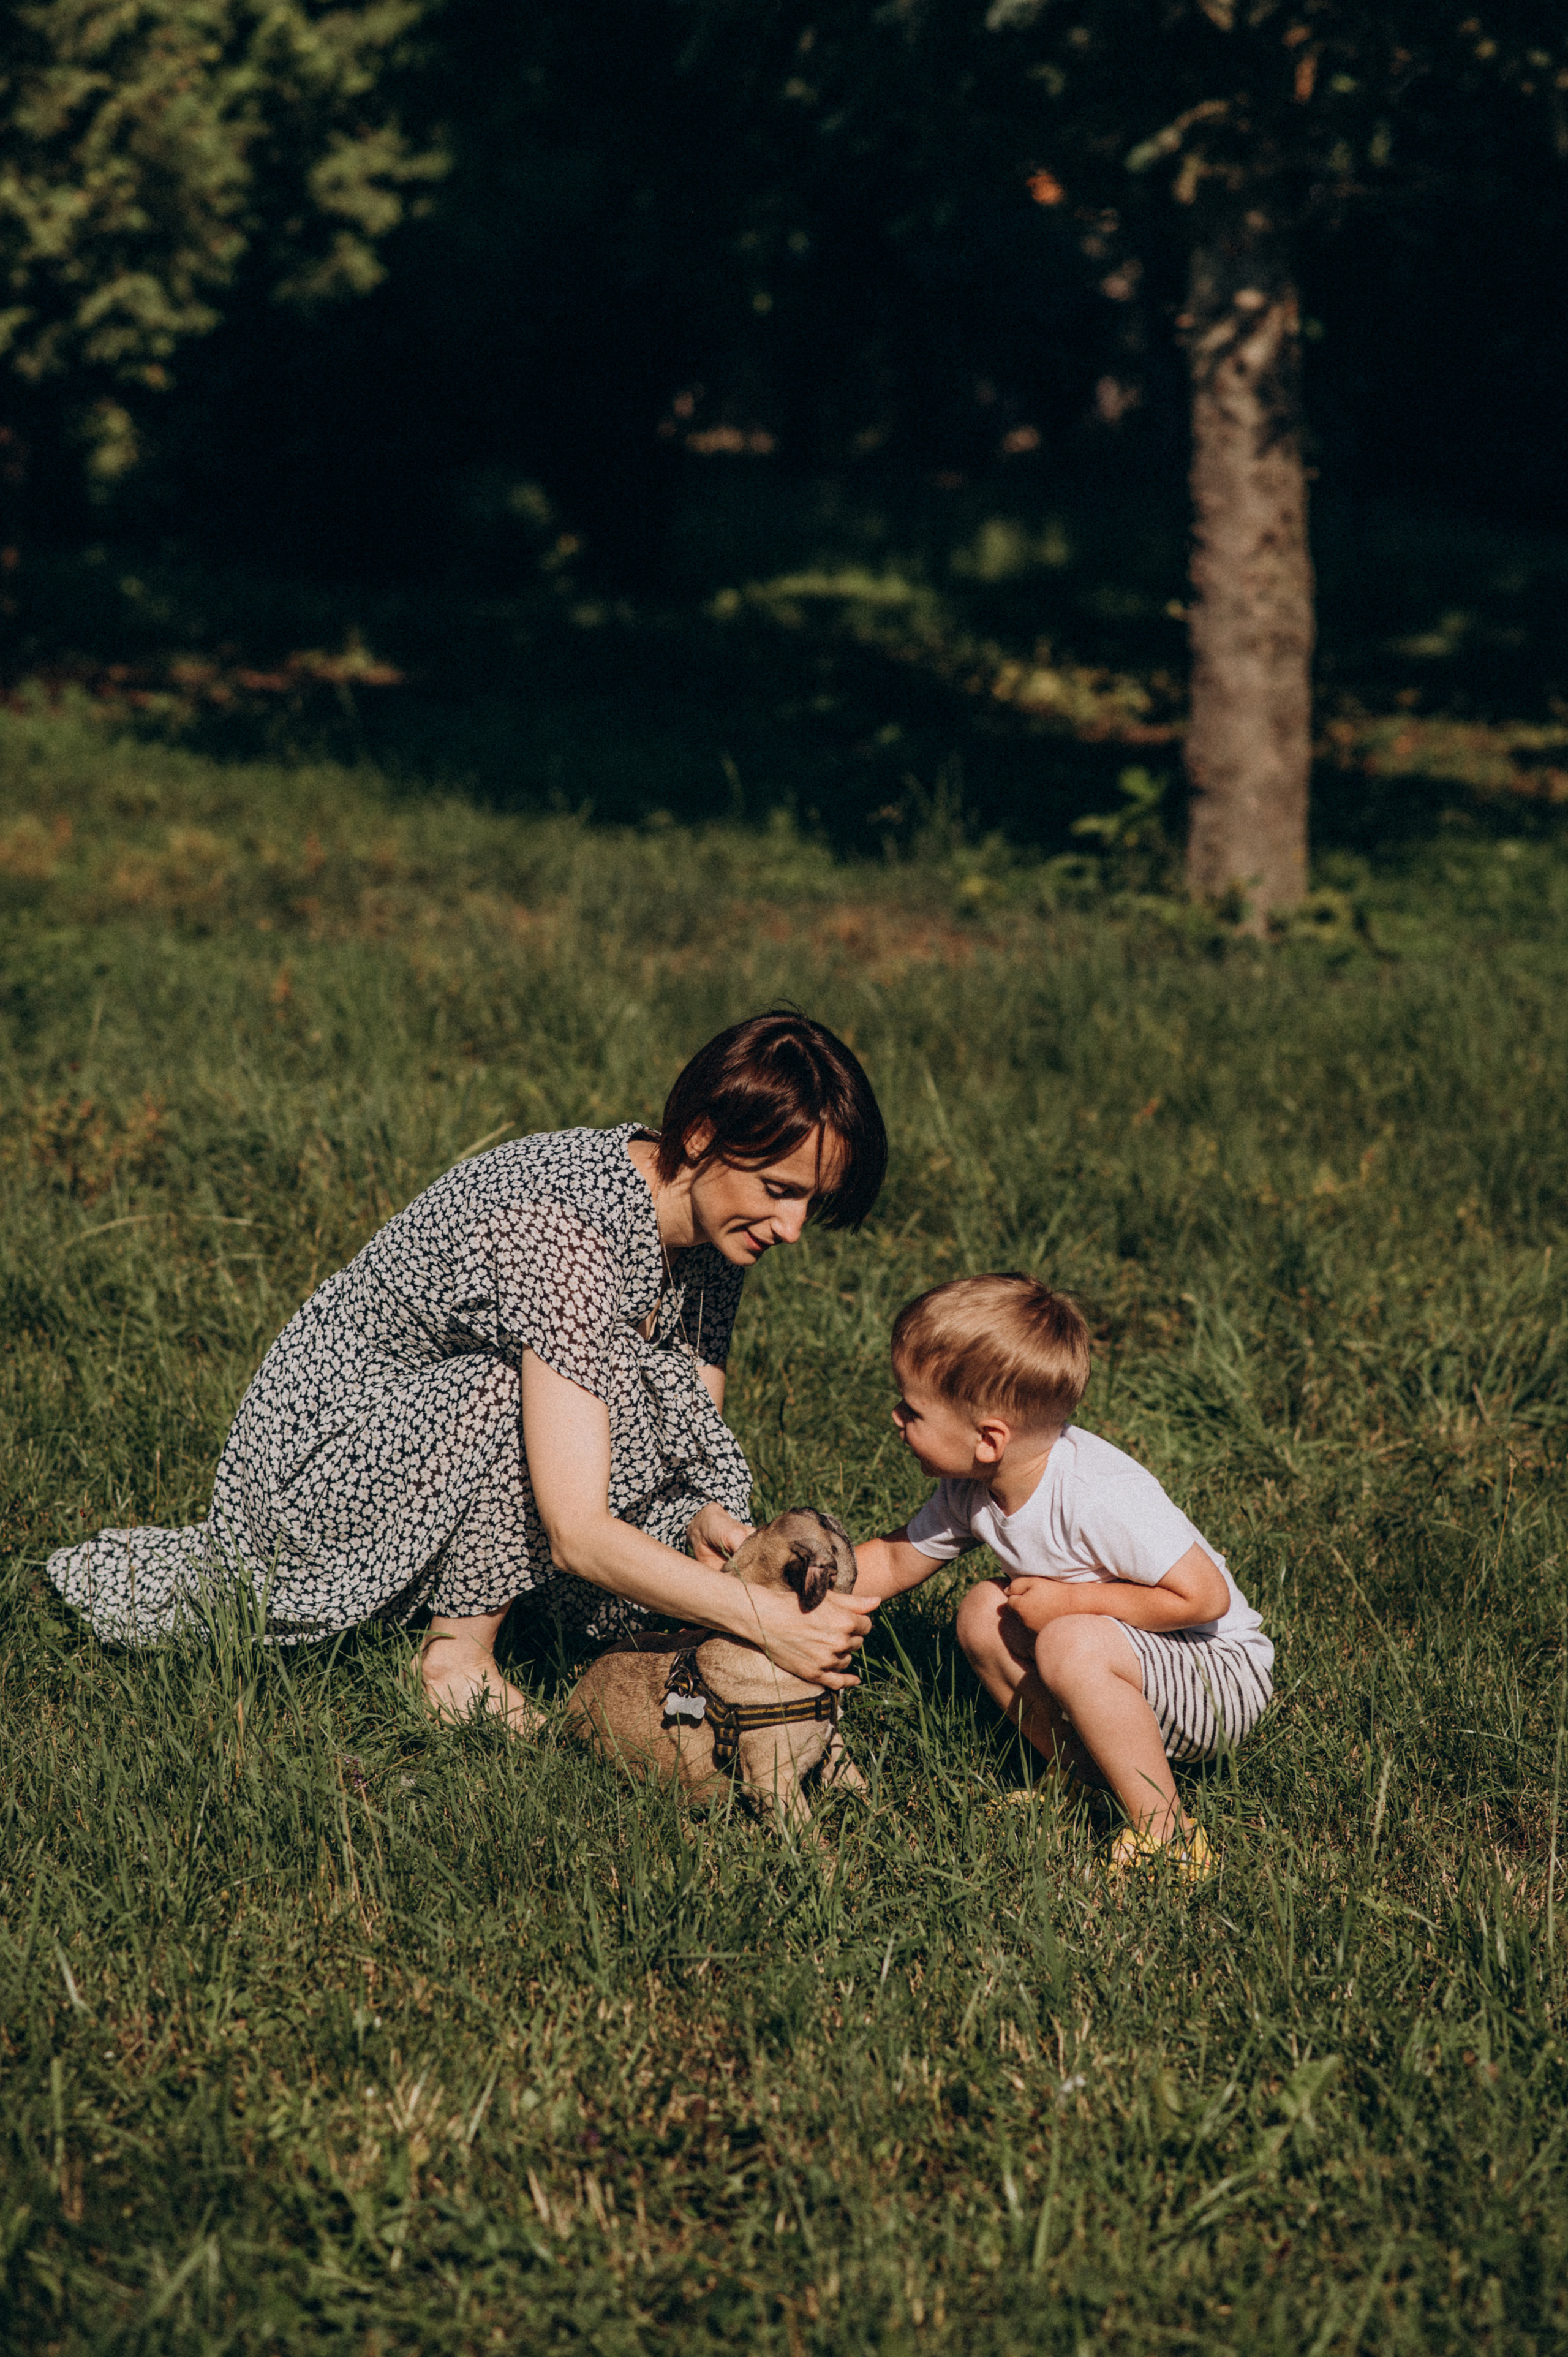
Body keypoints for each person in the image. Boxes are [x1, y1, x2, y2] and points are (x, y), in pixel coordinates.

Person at [48, 1011, 886, 1724]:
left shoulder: (713, 1229)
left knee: (671, 1472)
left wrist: (701, 1520)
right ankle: (455, 1661)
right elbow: (577, 1530)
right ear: (701, 1136)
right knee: (511, 1383)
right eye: (780, 1189)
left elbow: (689, 1424)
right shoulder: (565, 1226)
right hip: (324, 1473)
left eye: (811, 1201)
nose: (792, 1228)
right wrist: (760, 1616)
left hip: (446, 1459)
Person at [854, 1274, 1272, 1873]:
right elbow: (896, 1559)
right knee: (982, 1611)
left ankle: (1168, 1834)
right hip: (1139, 1660)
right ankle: (1085, 1780)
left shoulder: (1096, 1493)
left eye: (912, 1409)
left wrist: (1070, 1603)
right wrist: (783, 1593)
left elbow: (1204, 1598)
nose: (895, 1418)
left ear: (988, 1438)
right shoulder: (971, 1488)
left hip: (1218, 1678)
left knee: (1068, 1640)